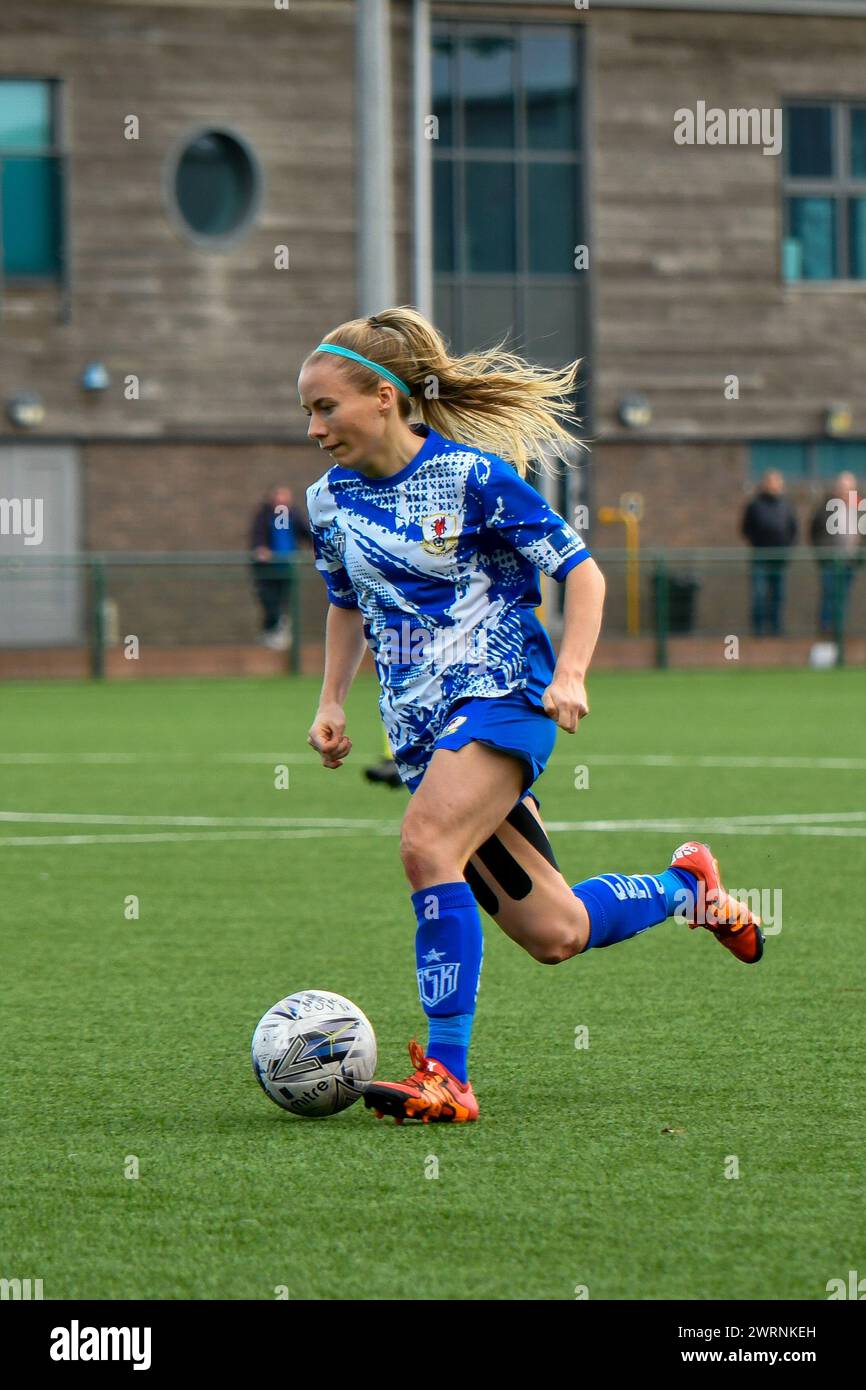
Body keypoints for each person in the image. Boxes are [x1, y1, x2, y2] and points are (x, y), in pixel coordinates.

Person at [300, 306, 764, 1126]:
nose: (313, 427)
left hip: (504, 695)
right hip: (421, 731)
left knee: (425, 844)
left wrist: (573, 674)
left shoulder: (472, 478)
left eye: (324, 406)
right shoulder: (328, 503)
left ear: (382, 397)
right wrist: (332, 699)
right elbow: (345, 601)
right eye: (305, 411)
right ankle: (688, 887)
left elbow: (581, 573)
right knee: (556, 931)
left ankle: (448, 1077)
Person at [249, 486, 312, 650]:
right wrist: (261, 549)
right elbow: (258, 536)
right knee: (269, 600)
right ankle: (271, 631)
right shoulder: (264, 515)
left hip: (287, 567)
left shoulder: (293, 514)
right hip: (268, 568)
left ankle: (280, 631)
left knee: (285, 600)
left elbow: (306, 532)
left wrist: (317, 549)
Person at [741, 470, 798, 635]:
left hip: (780, 557)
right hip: (760, 556)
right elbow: (746, 529)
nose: (773, 485)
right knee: (758, 594)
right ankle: (758, 631)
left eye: (776, 482)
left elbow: (793, 530)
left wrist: (787, 548)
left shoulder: (786, 505)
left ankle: (776, 629)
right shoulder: (755, 505)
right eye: (770, 482)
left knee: (778, 595)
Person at [810, 471, 864, 638]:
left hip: (850, 562)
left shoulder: (859, 508)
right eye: (842, 488)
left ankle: (838, 631)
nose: (845, 491)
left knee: (843, 597)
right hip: (830, 561)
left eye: (848, 488)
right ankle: (825, 631)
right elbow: (814, 531)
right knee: (829, 595)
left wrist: (859, 555)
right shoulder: (826, 507)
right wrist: (823, 554)